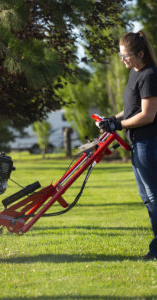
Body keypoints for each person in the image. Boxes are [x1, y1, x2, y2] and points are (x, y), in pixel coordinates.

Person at [99, 30, 157, 260]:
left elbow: (147, 115)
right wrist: (112, 120)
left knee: (154, 196)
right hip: (137, 144)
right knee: (146, 197)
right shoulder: (135, 73)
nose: (123, 59)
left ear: (140, 53)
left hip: (148, 142)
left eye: (126, 55)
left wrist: (120, 125)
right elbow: (131, 109)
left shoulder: (150, 75)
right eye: (121, 55)